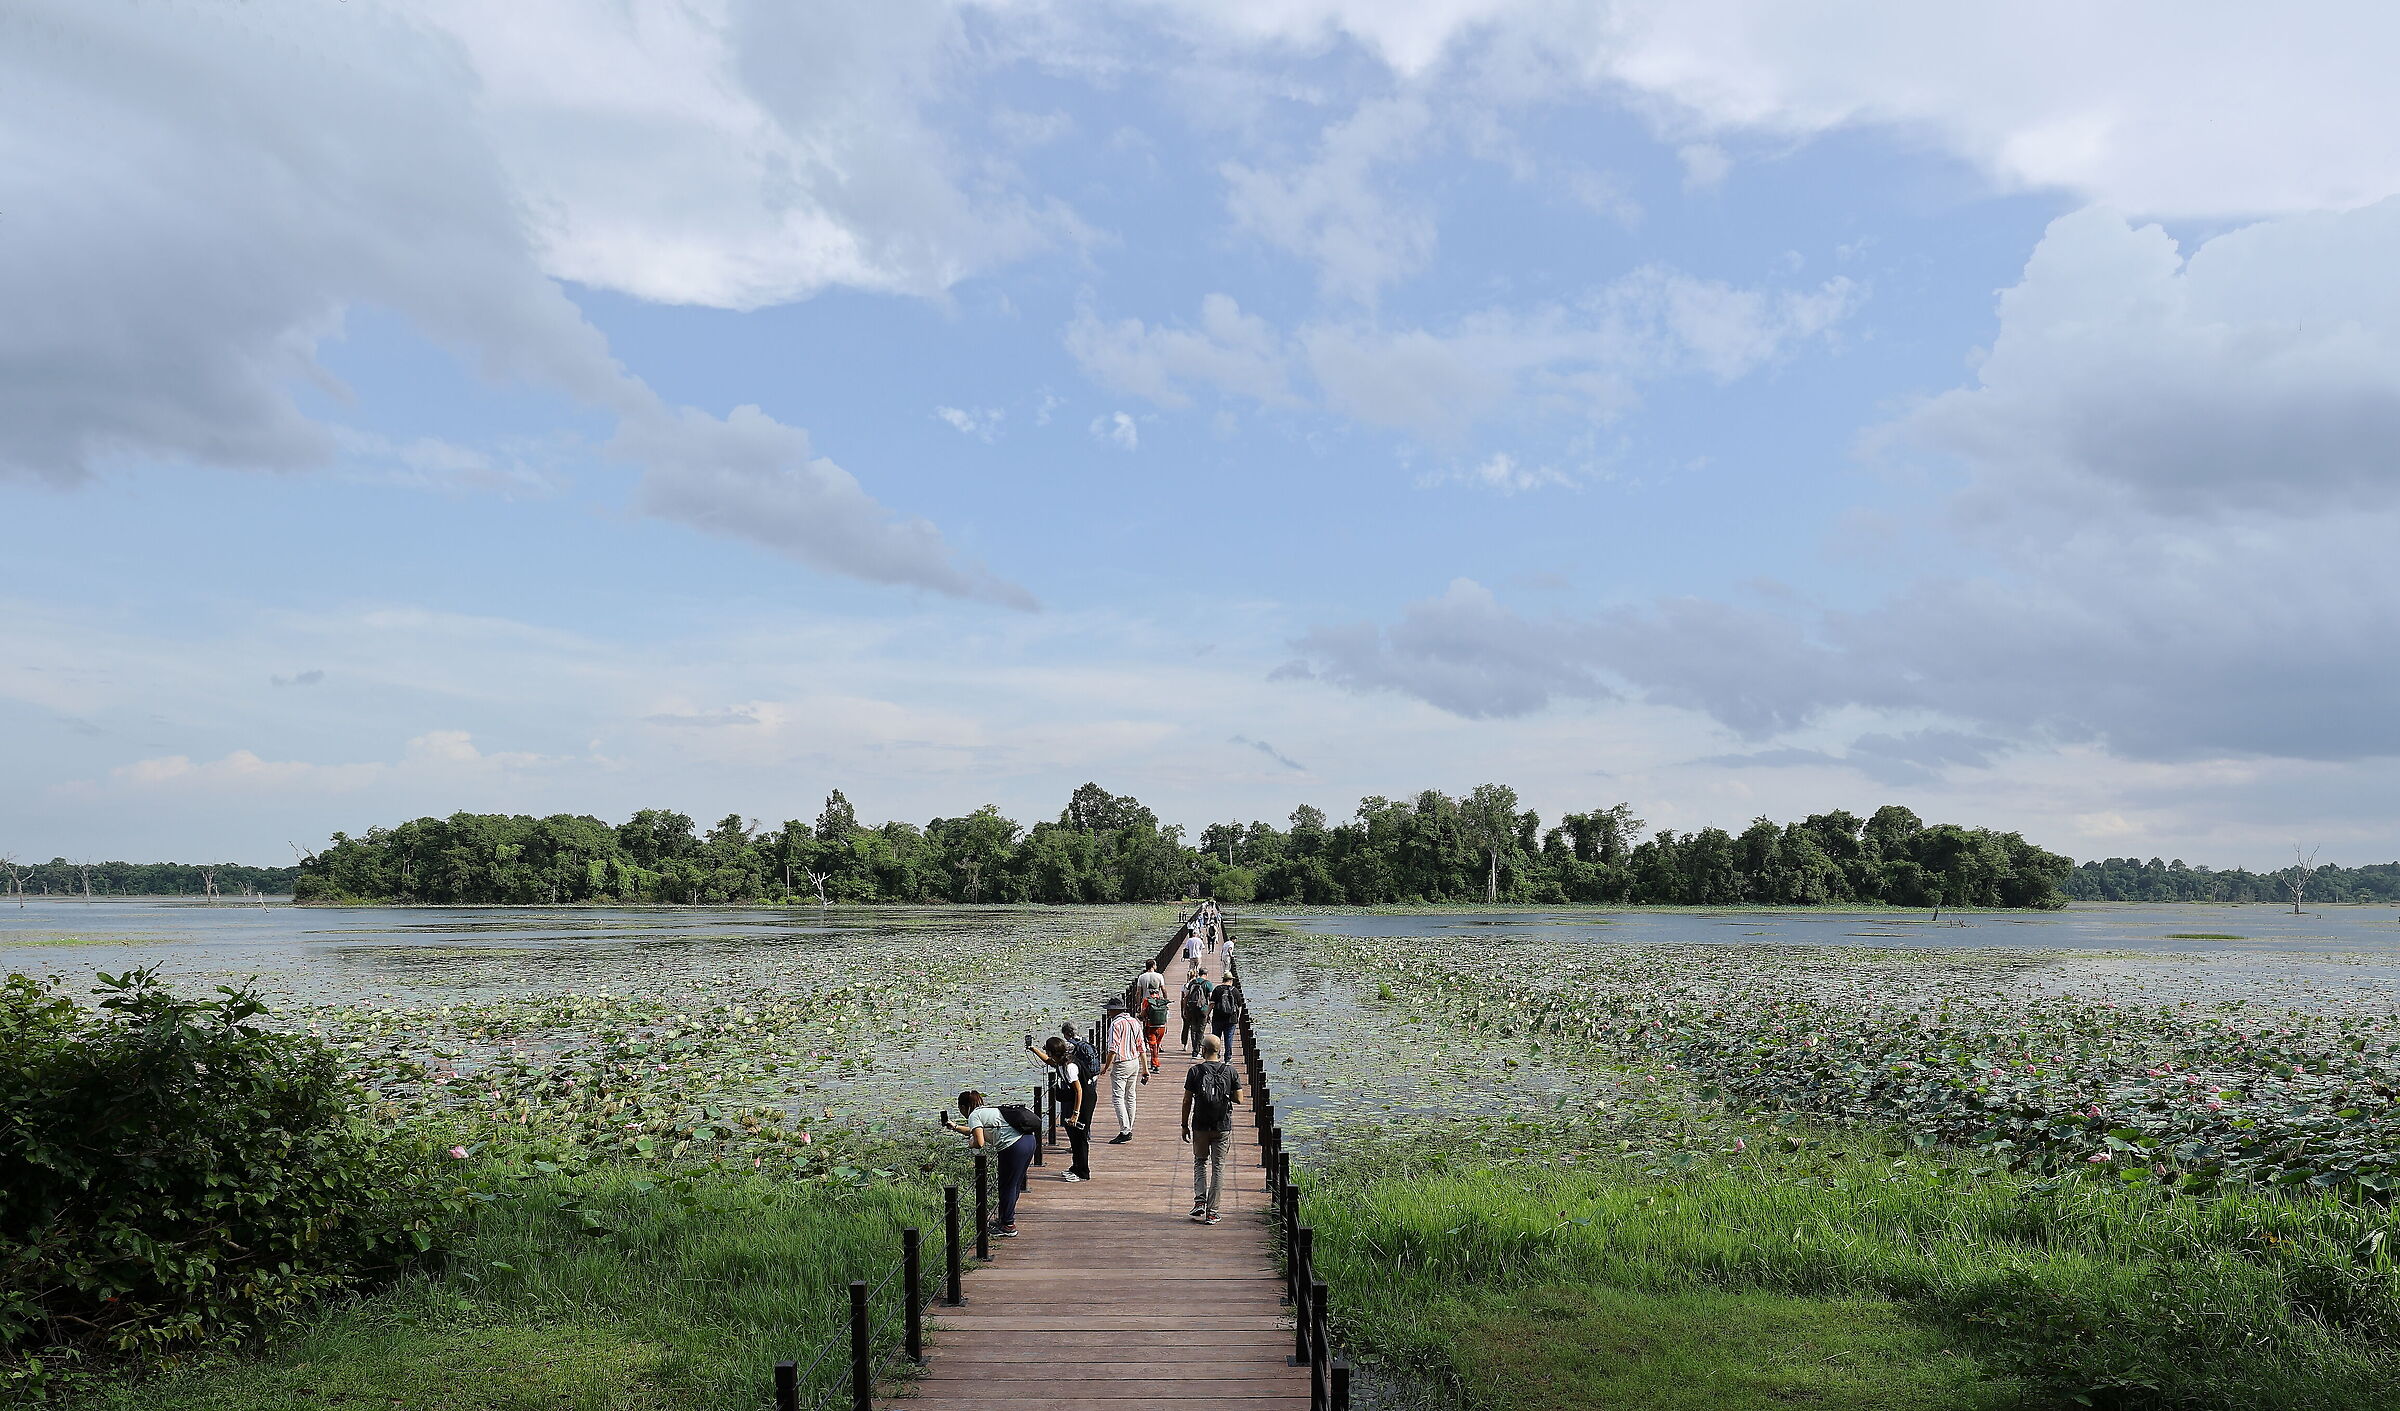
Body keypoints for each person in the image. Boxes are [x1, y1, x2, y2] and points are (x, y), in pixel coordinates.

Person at [942, 1089, 1034, 1237]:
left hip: (1013, 1147)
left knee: (1007, 1186)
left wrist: (971, 1144)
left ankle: (1008, 1226)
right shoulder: (985, 1110)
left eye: (960, 1109)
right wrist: (955, 1127)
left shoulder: (973, 1115)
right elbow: (974, 1130)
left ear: (963, 1107)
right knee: (1014, 1184)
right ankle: (1005, 1220)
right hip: (1028, 1141)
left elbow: (979, 1142)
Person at [1181, 1034, 1244, 1224]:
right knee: (1218, 1167)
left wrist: (1184, 1125)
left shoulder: (1195, 1071)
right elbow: (1240, 1099)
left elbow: (1186, 1100)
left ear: (1203, 1050)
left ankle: (1200, 1201)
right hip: (1222, 1125)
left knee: (1200, 1162)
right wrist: (1225, 1095)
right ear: (1219, 1050)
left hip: (1200, 1124)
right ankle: (1213, 1211)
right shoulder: (1230, 1071)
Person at [1035, 1036, 1092, 1181]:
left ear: (1052, 1051)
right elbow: (1048, 1061)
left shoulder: (1069, 1066)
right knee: (1072, 1135)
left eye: (1046, 1050)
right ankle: (1075, 1167)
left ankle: (1083, 1172)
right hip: (1075, 1098)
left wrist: (1075, 1114)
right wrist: (1033, 1049)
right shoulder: (1060, 1061)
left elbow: (1079, 1090)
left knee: (1080, 1137)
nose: (1046, 1053)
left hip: (1085, 1099)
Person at [1104, 998, 1145, 1143]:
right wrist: (1145, 1068)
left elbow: (1112, 1049)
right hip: (1134, 1062)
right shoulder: (1134, 1021)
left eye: (1110, 1009)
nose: (1108, 1012)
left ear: (1115, 1010)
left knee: (1118, 1097)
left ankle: (1125, 1129)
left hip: (1121, 1063)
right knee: (1131, 1096)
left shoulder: (1115, 1024)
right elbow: (1141, 1046)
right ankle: (1129, 1127)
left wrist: (1106, 1067)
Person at [1136, 962, 1170, 1072]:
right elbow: (1164, 990)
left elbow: (1138, 993)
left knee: (1152, 1042)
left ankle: (1155, 1063)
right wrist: (1165, 1001)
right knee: (1156, 1043)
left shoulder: (1142, 977)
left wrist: (1138, 1007)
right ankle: (1154, 1061)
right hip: (1161, 1023)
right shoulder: (1159, 976)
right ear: (1154, 966)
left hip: (1148, 1013)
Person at [1179, 969, 1215, 1056]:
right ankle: (1197, 1051)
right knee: (1201, 1030)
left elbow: (1186, 997)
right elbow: (1211, 999)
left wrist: (1184, 1010)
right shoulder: (1208, 984)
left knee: (1193, 1030)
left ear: (1199, 973)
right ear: (1206, 974)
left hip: (1192, 1009)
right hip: (1203, 1009)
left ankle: (1195, 1049)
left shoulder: (1192, 983)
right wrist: (1209, 1012)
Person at [1209, 975, 1241, 1058]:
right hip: (1231, 1019)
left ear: (1223, 979)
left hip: (1217, 1018)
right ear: (1231, 980)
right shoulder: (1235, 991)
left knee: (1216, 1038)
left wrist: (1207, 1015)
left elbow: (1212, 1004)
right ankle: (1228, 1058)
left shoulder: (1217, 989)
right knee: (1229, 1039)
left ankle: (1215, 1055)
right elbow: (1239, 1006)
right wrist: (1237, 1018)